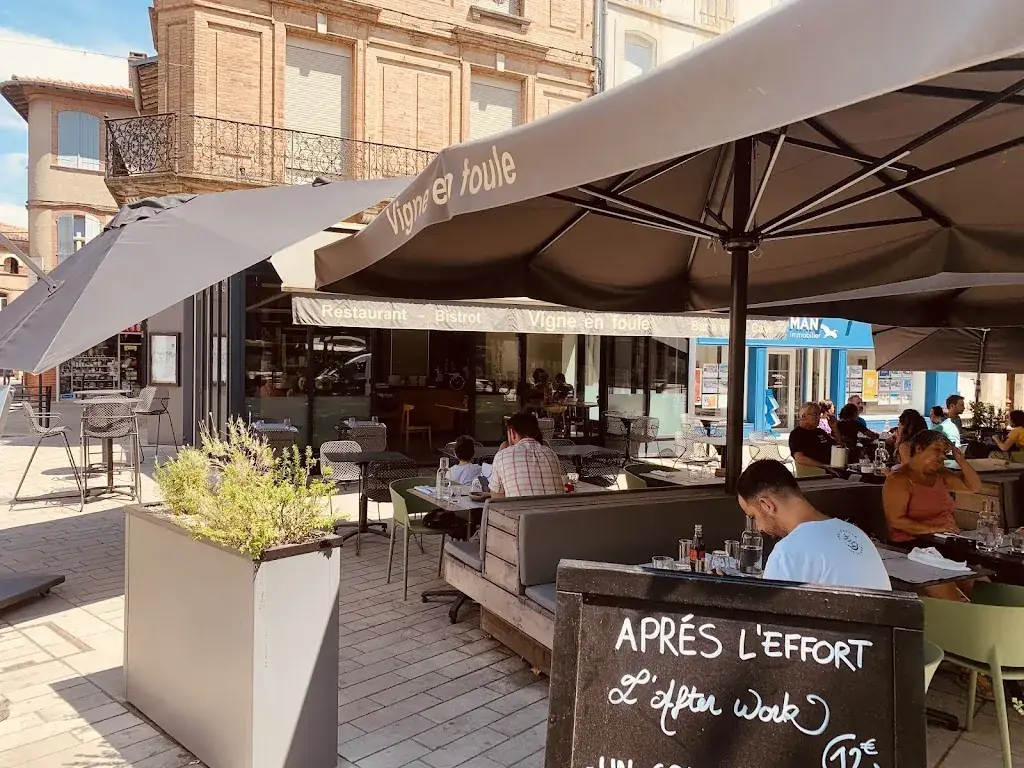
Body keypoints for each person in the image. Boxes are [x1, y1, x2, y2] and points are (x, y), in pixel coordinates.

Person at [736, 459, 892, 591]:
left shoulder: (788, 552)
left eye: (753, 516)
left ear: (766, 505)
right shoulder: (855, 533)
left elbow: (769, 622)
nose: (758, 527)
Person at [882, 429, 981, 544]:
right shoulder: (899, 479)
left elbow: (973, 487)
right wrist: (935, 529)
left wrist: (961, 461)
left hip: (945, 539)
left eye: (945, 452)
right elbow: (896, 521)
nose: (942, 456)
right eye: (937, 449)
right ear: (919, 448)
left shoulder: (940, 474)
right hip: (912, 543)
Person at [490, 412, 565, 498]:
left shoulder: (502, 456)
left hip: (519, 511)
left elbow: (497, 498)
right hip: (556, 510)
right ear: (536, 433)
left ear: (512, 433)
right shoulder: (551, 454)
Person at [788, 402, 838, 472]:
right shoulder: (797, 434)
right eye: (815, 414)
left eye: (819, 414)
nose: (818, 418)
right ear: (804, 416)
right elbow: (799, 457)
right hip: (819, 471)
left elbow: (839, 447)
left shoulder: (819, 431)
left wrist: (834, 428)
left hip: (834, 467)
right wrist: (824, 466)